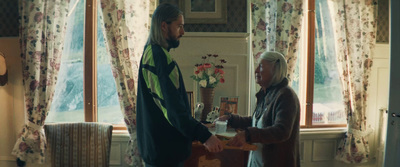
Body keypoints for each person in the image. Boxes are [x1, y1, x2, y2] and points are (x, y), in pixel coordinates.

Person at [136, 3, 223, 167]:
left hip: (162, 153)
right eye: (179, 26)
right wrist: (204, 135)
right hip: (164, 156)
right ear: (163, 26)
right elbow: (173, 108)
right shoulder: (157, 57)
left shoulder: (154, 54)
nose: (183, 32)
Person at [219, 51, 300, 167]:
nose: (256, 70)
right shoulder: (266, 93)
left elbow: (282, 131)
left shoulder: (286, 95)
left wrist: (247, 134)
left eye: (260, 66)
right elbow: (258, 122)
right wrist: (231, 119)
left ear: (275, 69)